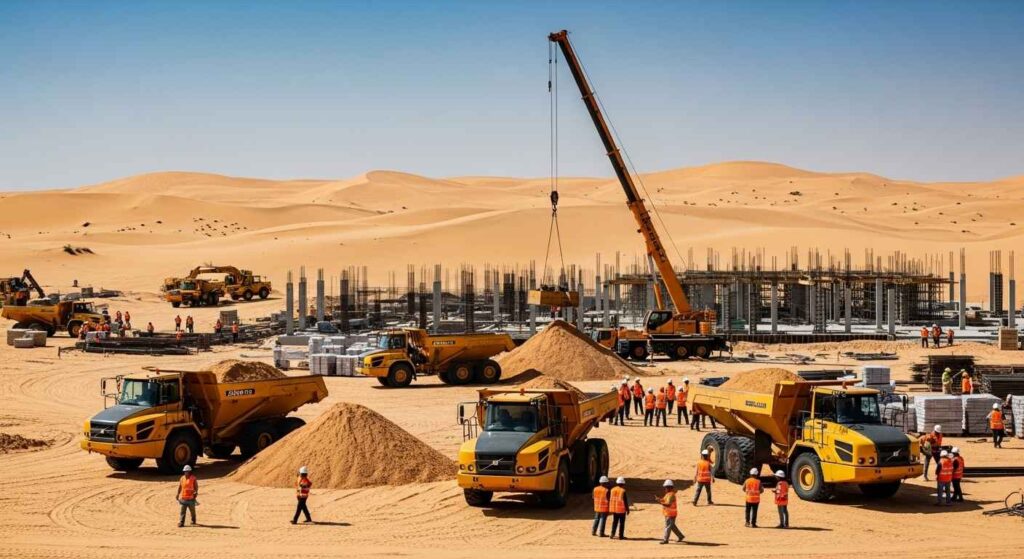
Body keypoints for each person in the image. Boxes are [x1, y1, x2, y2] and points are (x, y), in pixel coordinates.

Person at [658, 480, 685, 544]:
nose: (665, 489)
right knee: (671, 526)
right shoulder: (668, 494)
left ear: (669, 487)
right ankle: (680, 536)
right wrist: (660, 499)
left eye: (666, 487)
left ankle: (665, 539)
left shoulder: (671, 495)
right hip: (668, 513)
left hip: (670, 514)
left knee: (668, 526)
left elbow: (668, 504)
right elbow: (664, 500)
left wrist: (660, 502)